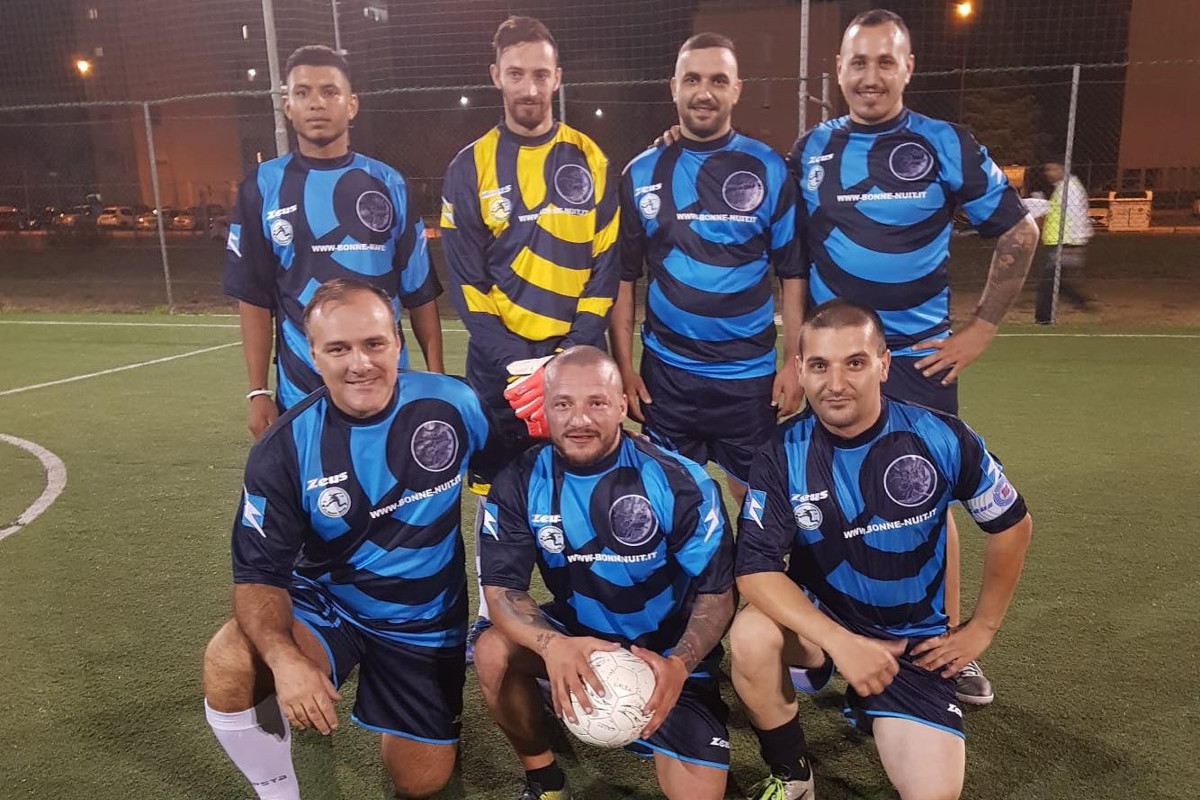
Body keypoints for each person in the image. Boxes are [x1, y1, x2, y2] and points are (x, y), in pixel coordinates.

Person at [787, 8, 1040, 704]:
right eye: (857, 62)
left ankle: (944, 646)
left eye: (884, 61)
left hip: (918, 366)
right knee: (823, 496)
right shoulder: (811, 150)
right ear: (838, 70)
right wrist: (796, 355)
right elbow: (784, 253)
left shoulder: (945, 144)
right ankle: (824, 642)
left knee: (926, 501)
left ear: (908, 68)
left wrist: (981, 329)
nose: (870, 77)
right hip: (835, 367)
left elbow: (1018, 232)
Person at [201, 279, 499, 800]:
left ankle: (400, 708)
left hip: (424, 622)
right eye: (338, 349)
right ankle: (278, 792)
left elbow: (512, 476)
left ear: (398, 343)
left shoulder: (453, 403)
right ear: (313, 355)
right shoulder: (285, 448)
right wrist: (284, 658)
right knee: (230, 657)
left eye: (374, 344)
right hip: (328, 604)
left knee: (421, 781)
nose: (360, 364)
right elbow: (257, 577)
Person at [732, 299, 1033, 800]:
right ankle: (793, 774)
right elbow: (755, 570)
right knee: (751, 635)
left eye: (855, 363)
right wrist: (841, 643)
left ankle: (878, 702)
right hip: (823, 624)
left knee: (935, 795)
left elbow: (1012, 525)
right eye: (820, 366)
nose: (836, 383)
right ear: (800, 371)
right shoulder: (781, 453)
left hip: (912, 644)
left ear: (884, 364)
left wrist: (982, 627)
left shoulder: (939, 436)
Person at [474, 346, 735, 800]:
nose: (579, 419)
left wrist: (680, 664)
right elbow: (501, 592)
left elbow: (718, 593)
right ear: (545, 409)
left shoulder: (677, 479)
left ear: (620, 405)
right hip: (577, 638)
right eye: (563, 404)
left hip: (665, 655)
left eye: (596, 402)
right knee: (493, 650)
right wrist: (553, 645)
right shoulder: (519, 481)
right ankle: (545, 780)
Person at [440, 17, 620, 657]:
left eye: (540, 73)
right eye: (516, 73)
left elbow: (604, 271)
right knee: (495, 494)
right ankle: (492, 614)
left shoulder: (591, 158)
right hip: (499, 374)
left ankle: (596, 609)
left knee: (585, 486)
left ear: (558, 77)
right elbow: (467, 287)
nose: (529, 86)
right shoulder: (469, 167)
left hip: (576, 369)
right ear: (496, 76)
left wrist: (566, 361)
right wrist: (522, 365)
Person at [610, 33, 803, 511]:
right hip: (667, 377)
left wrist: (794, 362)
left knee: (760, 504)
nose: (704, 92)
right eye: (692, 79)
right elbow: (623, 279)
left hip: (750, 377)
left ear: (737, 89)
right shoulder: (641, 172)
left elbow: (793, 274)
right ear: (673, 86)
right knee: (672, 503)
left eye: (718, 80)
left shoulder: (769, 168)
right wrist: (625, 367)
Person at [224, 45, 443, 440]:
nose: (316, 103)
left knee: (388, 475)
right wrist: (258, 391)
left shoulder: (388, 183)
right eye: (303, 92)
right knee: (314, 481)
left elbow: (420, 293)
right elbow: (254, 297)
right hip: (302, 389)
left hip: (387, 383)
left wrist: (436, 378)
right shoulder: (262, 186)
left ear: (351, 105)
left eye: (329, 91)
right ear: (287, 106)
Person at [1023, 160, 1093, 322]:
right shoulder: (1063, 188)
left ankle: (1043, 319)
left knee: (1047, 282)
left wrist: (1072, 244)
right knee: (1056, 281)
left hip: (1064, 243)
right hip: (1061, 242)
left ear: (1063, 169)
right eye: (1047, 169)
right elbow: (1056, 210)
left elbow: (1074, 217)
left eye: (1052, 169)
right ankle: (1082, 302)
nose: (1048, 173)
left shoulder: (1070, 189)